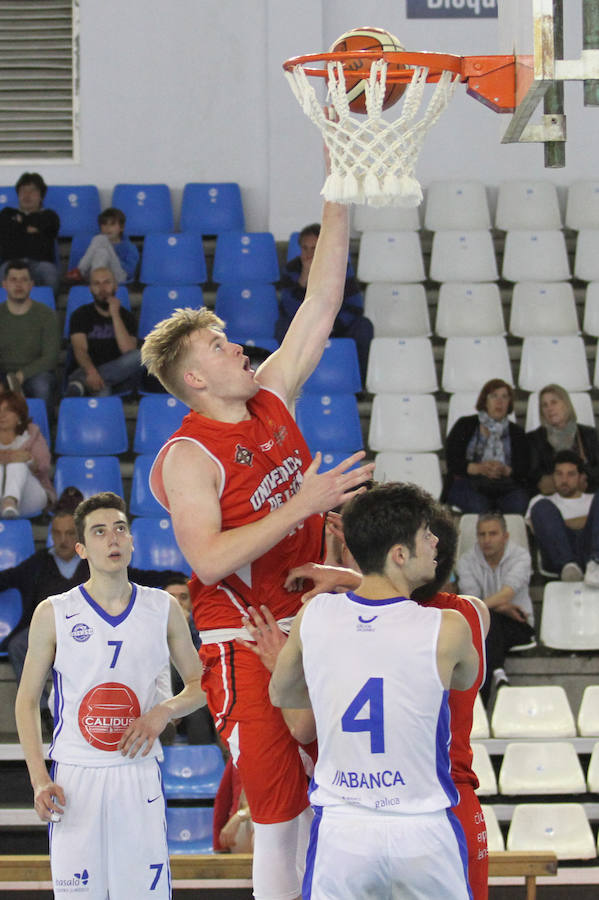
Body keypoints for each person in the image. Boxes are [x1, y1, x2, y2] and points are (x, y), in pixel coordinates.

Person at [141, 190, 375, 900]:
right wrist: (301, 504)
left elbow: (321, 302)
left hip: (311, 619)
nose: (238, 347)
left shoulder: (272, 394)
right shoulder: (188, 457)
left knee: (338, 793)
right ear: (194, 379)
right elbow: (208, 560)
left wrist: (339, 194)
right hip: (242, 636)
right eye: (219, 346)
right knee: (277, 814)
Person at [269, 483, 478, 900]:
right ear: (399, 555)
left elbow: (281, 694)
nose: (436, 542)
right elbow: (465, 678)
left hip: (343, 830)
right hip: (421, 827)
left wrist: (334, 683)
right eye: (426, 535)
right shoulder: (448, 627)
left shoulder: (315, 614)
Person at [15, 491, 205, 900]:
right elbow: (26, 701)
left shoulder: (163, 607)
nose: (113, 538)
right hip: (75, 777)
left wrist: (164, 711)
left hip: (137, 773)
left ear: (132, 540)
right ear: (82, 548)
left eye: (120, 528)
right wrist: (39, 779)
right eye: (99, 532)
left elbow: (202, 684)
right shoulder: (53, 612)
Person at [276, 223, 373, 388]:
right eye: (305, 248)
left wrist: (331, 325)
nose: (309, 254)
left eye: (314, 249)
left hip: (336, 325)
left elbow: (355, 306)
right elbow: (289, 307)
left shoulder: (341, 267)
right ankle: (288, 385)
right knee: (281, 327)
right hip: (303, 327)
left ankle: (359, 384)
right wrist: (304, 277)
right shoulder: (292, 269)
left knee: (364, 327)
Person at [457, 512, 535, 704]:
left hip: (518, 622)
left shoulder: (520, 557)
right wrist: (501, 607)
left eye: (492, 534)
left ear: (505, 536)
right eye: (482, 534)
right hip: (485, 625)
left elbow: (506, 594)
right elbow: (472, 604)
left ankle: (480, 704)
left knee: (487, 626)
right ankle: (498, 673)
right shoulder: (466, 561)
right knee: (488, 623)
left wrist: (496, 607)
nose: (486, 540)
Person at [443, 378, 530, 515]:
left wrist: (505, 470)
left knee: (519, 503)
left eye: (504, 397)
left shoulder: (517, 432)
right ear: (485, 401)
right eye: (494, 396)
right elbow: (452, 460)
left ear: (509, 402)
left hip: (505, 485)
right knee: (478, 506)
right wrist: (479, 468)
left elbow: (524, 468)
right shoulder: (465, 424)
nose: (499, 402)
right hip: (468, 482)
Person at [65, 266, 142, 397]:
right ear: (90, 288)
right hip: (88, 371)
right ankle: (88, 380)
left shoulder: (126, 317)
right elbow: (80, 349)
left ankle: (81, 382)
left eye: (107, 282)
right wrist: (91, 372)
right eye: (97, 284)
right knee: (103, 391)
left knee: (140, 355)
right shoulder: (80, 315)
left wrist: (115, 315)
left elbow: (128, 351)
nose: (102, 289)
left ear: (115, 286)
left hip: (119, 376)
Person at [527, 450, 599, 586]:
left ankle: (596, 562)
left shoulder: (593, 499)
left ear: (581, 477)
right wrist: (587, 520)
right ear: (552, 476)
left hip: (589, 549)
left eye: (570, 474)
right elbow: (539, 531)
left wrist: (561, 523)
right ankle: (568, 566)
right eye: (559, 474)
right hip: (557, 556)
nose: (564, 480)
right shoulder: (542, 501)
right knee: (541, 506)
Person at [0, 260, 60, 409]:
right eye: (13, 280)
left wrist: (22, 374)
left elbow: (51, 358)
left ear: (31, 285)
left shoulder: (47, 315)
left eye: (24, 280)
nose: (18, 285)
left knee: (42, 386)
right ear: (4, 284)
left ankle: (42, 423)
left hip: (36, 373)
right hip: (3, 373)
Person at [164, 572, 216, 745]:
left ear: (192, 603)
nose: (178, 603)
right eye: (172, 598)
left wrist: (183, 629)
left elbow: (205, 668)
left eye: (184, 597)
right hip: (162, 694)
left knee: (197, 709)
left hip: (196, 694)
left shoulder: (204, 629)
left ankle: (208, 757)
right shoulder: (148, 628)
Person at [526, 383, 599, 496]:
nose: (549, 408)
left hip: (586, 492)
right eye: (544, 405)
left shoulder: (588, 434)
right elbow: (533, 474)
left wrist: (584, 476)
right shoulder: (534, 438)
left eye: (554, 402)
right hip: (551, 495)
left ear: (566, 404)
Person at [0, 172, 60, 293]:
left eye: (32, 191)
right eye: (23, 191)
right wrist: (32, 228)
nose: (27, 195)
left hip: (41, 264)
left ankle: (48, 305)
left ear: (41, 196)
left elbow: (51, 227)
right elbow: (4, 229)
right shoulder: (7, 213)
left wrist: (19, 224)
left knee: (50, 275)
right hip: (12, 264)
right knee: (3, 273)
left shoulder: (49, 215)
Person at [0, 389, 56, 518]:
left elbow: (44, 466)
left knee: (18, 464)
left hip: (29, 498)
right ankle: (7, 504)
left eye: (8, 410)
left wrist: (29, 460)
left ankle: (10, 501)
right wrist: (8, 457)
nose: (2, 415)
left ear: (19, 415)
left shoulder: (32, 433)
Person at [67, 207, 139, 284]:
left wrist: (112, 256)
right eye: (104, 224)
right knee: (102, 252)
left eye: (112, 224)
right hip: (96, 276)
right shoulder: (97, 245)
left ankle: (80, 270)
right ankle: (96, 281)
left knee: (101, 239)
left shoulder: (130, 247)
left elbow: (130, 272)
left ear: (121, 228)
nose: (107, 228)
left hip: (119, 277)